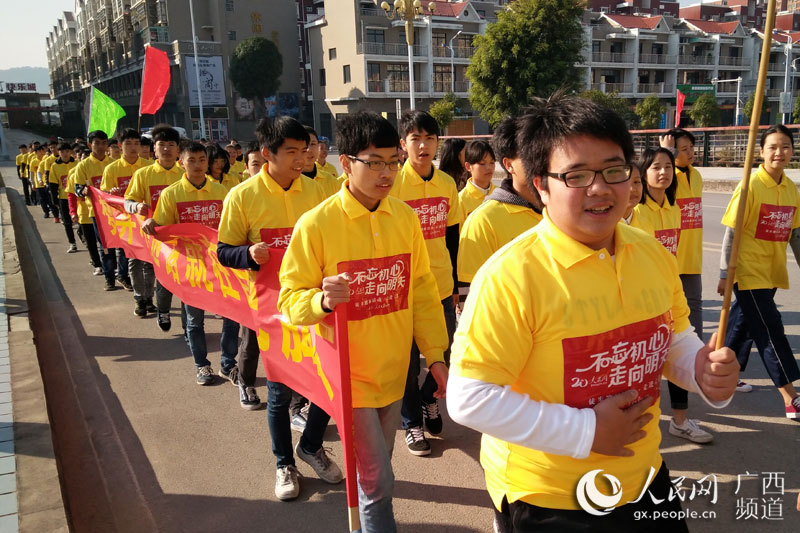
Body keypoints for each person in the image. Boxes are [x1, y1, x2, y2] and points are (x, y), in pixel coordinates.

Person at [447, 93, 738, 532]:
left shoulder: (652, 253)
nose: (600, 188)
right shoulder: (511, 275)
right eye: (577, 175)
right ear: (541, 185)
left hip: (643, 478)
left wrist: (701, 369)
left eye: (613, 170)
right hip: (549, 493)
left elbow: (673, 337)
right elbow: (470, 398)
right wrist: (585, 431)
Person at [278, 111, 448, 531]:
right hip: (348, 378)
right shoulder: (316, 225)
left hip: (396, 373)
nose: (386, 172)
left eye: (392, 161)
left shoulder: (404, 218)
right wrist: (320, 299)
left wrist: (436, 357)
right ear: (345, 163)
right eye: (374, 162)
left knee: (376, 471)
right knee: (377, 481)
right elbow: (289, 301)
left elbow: (423, 291)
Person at [217, 116, 339, 500]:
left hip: (315, 304)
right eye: (291, 152)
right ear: (266, 153)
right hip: (272, 309)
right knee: (281, 392)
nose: (301, 159)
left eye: (304, 151)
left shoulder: (317, 192)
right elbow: (223, 251)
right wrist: (248, 255)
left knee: (326, 383)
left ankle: (311, 445)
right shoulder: (243, 196)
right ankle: (284, 462)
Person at [390, 110, 463, 455]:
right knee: (406, 361)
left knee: (443, 352)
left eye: (430, 138)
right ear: (403, 144)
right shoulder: (393, 184)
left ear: (438, 143)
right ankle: (411, 424)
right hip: (401, 288)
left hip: (440, 285)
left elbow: (452, 237)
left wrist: (455, 285)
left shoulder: (447, 184)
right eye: (415, 138)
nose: (423, 145)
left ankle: (427, 400)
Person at [631, 147, 714, 444]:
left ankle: (680, 420)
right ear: (642, 173)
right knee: (644, 365)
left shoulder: (674, 208)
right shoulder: (636, 213)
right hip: (640, 301)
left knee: (676, 351)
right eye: (656, 167)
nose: (663, 172)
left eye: (668, 166)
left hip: (668, 295)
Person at [718, 124, 800, 419]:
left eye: (786, 146)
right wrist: (725, 273)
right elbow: (732, 233)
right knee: (769, 329)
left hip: (771, 271)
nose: (780, 152)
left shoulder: (790, 188)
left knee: (743, 325)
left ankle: (720, 371)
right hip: (748, 271)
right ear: (761, 152)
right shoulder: (749, 185)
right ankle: (790, 396)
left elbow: (795, 234)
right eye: (773, 147)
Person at [149, 142, 240, 386]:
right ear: (182, 162)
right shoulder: (171, 194)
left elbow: (233, 227)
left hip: (222, 267)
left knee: (232, 316)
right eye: (192, 160)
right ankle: (202, 365)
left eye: (202, 160)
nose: (198, 165)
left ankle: (228, 363)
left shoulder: (222, 192)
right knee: (194, 320)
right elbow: (162, 231)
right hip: (191, 268)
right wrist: (151, 225)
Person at [457, 116, 543, 287]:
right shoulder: (483, 220)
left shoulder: (565, 210)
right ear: (508, 165)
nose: (542, 163)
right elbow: (472, 291)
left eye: (547, 154)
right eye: (531, 155)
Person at [124, 125, 184, 321]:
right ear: (153, 149)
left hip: (178, 235)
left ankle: (173, 311)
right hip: (149, 233)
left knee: (175, 274)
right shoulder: (143, 174)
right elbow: (128, 201)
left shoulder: (185, 174)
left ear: (178, 149)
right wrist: (137, 206)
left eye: (171, 145)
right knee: (145, 266)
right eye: (162, 145)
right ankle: (142, 299)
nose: (166, 149)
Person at [100, 129, 145, 292]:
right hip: (122, 217)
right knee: (126, 251)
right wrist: (112, 194)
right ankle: (128, 281)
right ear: (119, 146)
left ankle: (141, 287)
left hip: (144, 217)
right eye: (128, 144)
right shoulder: (112, 169)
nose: (133, 147)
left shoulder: (148, 166)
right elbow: (104, 195)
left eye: (136, 143)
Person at [66, 147, 104, 276]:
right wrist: (73, 212)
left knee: (103, 241)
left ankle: (107, 265)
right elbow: (71, 194)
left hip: (100, 212)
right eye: (83, 157)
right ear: (78, 158)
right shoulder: (74, 173)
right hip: (84, 212)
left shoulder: (104, 167)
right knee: (90, 241)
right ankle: (97, 264)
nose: (86, 160)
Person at [49, 143, 79, 253]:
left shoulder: (77, 164)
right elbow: (52, 184)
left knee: (82, 221)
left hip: (78, 197)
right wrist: (54, 200)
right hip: (63, 197)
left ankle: (84, 238)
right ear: (58, 152)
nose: (65, 154)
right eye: (62, 152)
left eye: (67, 151)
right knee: (67, 222)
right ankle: (72, 243)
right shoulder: (55, 166)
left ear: (70, 152)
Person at [458, 139, 497, 220]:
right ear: (468, 166)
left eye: (492, 162)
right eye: (482, 163)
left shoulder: (500, 194)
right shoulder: (461, 200)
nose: (489, 167)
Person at [301, 125, 339, 198]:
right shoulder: (288, 183)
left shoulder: (330, 180)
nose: (309, 150)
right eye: (305, 145)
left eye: (313, 144)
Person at [30, 145, 55, 219]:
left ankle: (54, 212)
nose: (42, 152)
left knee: (50, 199)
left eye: (43, 150)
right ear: (36, 152)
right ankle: (46, 212)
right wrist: (32, 183)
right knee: (42, 199)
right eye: (40, 151)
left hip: (47, 183)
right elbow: (31, 173)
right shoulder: (33, 162)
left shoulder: (47, 159)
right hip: (39, 184)